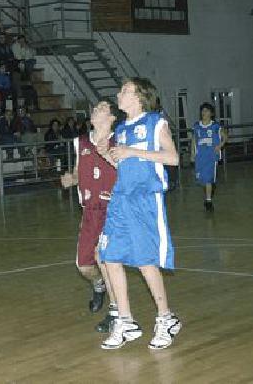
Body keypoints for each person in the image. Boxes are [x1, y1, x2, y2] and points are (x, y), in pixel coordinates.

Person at [95, 77, 182, 350]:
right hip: (121, 197)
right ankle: (126, 321)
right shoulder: (121, 129)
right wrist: (106, 153)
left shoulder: (156, 123)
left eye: (125, 90)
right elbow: (123, 164)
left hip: (145, 198)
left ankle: (165, 318)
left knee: (145, 260)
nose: (119, 94)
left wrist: (131, 151)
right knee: (109, 256)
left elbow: (173, 158)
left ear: (140, 97)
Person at [60, 100, 120, 332]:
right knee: (84, 266)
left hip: (112, 213)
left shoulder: (120, 143)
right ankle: (99, 285)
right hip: (89, 212)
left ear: (112, 117)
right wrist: (71, 179)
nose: (94, 109)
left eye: (101, 107)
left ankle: (115, 313)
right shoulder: (81, 142)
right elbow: (77, 173)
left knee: (106, 259)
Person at [193, 102, 229, 212]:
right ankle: (209, 192)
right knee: (203, 180)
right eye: (203, 110)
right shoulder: (197, 126)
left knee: (208, 179)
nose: (204, 113)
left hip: (211, 157)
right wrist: (192, 154)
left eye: (207, 111)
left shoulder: (215, 126)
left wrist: (220, 145)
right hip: (200, 156)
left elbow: (226, 137)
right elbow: (194, 140)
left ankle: (208, 201)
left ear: (211, 113)